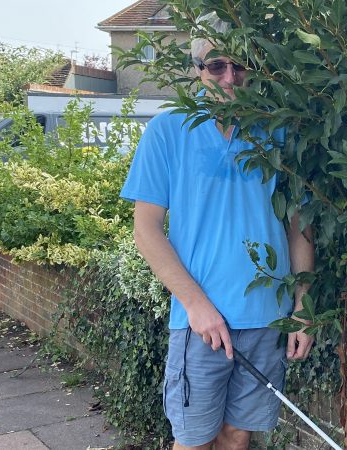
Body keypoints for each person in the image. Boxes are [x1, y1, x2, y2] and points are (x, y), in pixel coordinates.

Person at [119, 13, 316, 450]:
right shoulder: (167, 131)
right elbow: (146, 231)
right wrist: (195, 304)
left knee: (236, 437)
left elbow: (299, 224)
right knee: (192, 441)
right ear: (197, 70)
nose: (231, 77)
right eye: (217, 65)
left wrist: (304, 305)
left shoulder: (277, 132)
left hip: (268, 316)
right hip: (202, 323)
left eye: (240, 65)